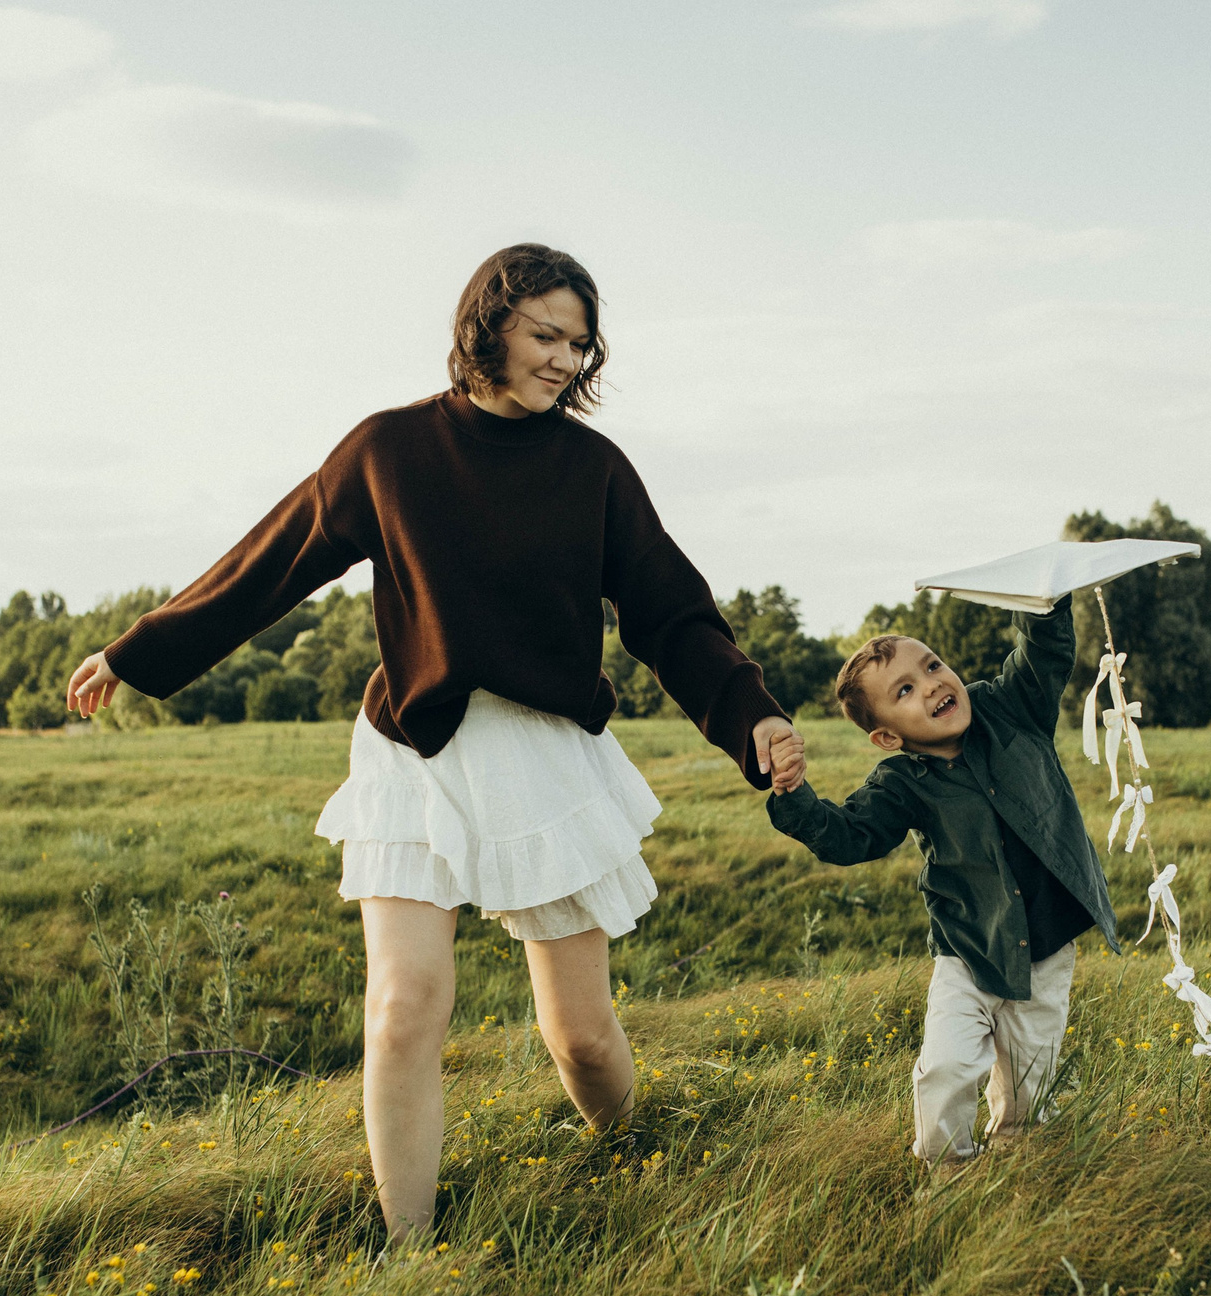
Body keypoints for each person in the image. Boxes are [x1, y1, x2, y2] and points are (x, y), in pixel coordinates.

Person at [66, 243, 806, 1240]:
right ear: (486, 327)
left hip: (542, 753)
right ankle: (407, 1252)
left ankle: (637, 1163)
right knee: (404, 1005)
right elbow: (271, 562)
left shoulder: (592, 470)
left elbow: (670, 611)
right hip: (413, 747)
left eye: (579, 345)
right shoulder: (388, 452)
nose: (563, 360)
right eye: (546, 335)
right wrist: (137, 651)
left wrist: (747, 709)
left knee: (582, 1039)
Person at [765, 595, 1116, 1168]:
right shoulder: (901, 782)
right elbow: (850, 834)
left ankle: (1016, 1165)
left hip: (1047, 948)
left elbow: (1044, 653)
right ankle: (946, 1174)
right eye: (903, 691)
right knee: (948, 1068)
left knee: (1031, 1086)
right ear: (887, 737)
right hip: (968, 953)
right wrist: (792, 794)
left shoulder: (1010, 707)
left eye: (931, 666)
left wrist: (1040, 597)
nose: (929, 685)